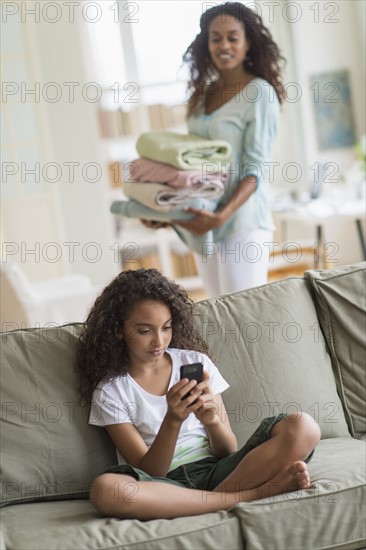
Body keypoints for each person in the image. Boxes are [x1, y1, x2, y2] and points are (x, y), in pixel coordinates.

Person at [77, 268, 320, 520]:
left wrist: (211, 420)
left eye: (166, 327)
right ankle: (250, 496)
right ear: (119, 330)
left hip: (221, 472)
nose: (159, 341)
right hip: (164, 486)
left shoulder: (195, 362)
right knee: (106, 490)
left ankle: (213, 501)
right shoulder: (111, 391)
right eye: (144, 331)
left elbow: (227, 450)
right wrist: (173, 420)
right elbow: (151, 471)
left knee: (304, 426)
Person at [143, 2, 285, 297]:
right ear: (205, 44)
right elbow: (191, 164)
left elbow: (254, 168)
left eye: (233, 37)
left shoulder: (259, 93)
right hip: (204, 221)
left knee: (241, 318)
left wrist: (223, 216)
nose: (224, 45)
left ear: (248, 43)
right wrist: (165, 210)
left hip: (241, 221)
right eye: (215, 38)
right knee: (216, 315)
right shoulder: (201, 95)